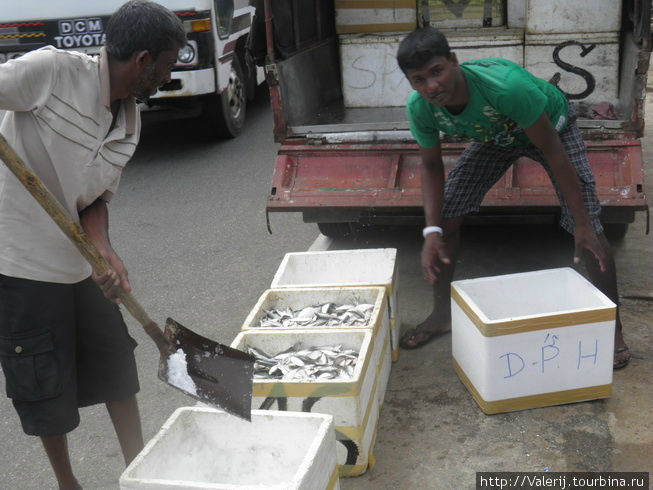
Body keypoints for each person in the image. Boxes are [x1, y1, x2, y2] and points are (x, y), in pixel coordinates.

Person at [0, 1, 185, 488]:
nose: (167, 76)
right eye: (167, 65)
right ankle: (68, 483)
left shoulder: (129, 122)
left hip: (76, 262)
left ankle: (140, 468)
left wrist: (104, 248)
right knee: (43, 382)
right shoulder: (51, 72)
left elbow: (94, 199)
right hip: (16, 260)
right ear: (142, 60)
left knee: (117, 364)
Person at [396, 26, 630, 370]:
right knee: (445, 219)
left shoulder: (505, 88)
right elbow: (431, 167)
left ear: (454, 61)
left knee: (590, 227)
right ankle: (442, 314)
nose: (431, 87)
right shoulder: (421, 108)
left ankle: (613, 329)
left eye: (437, 72)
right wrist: (431, 233)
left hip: (551, 127)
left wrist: (581, 224)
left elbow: (552, 150)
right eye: (419, 79)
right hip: (495, 136)